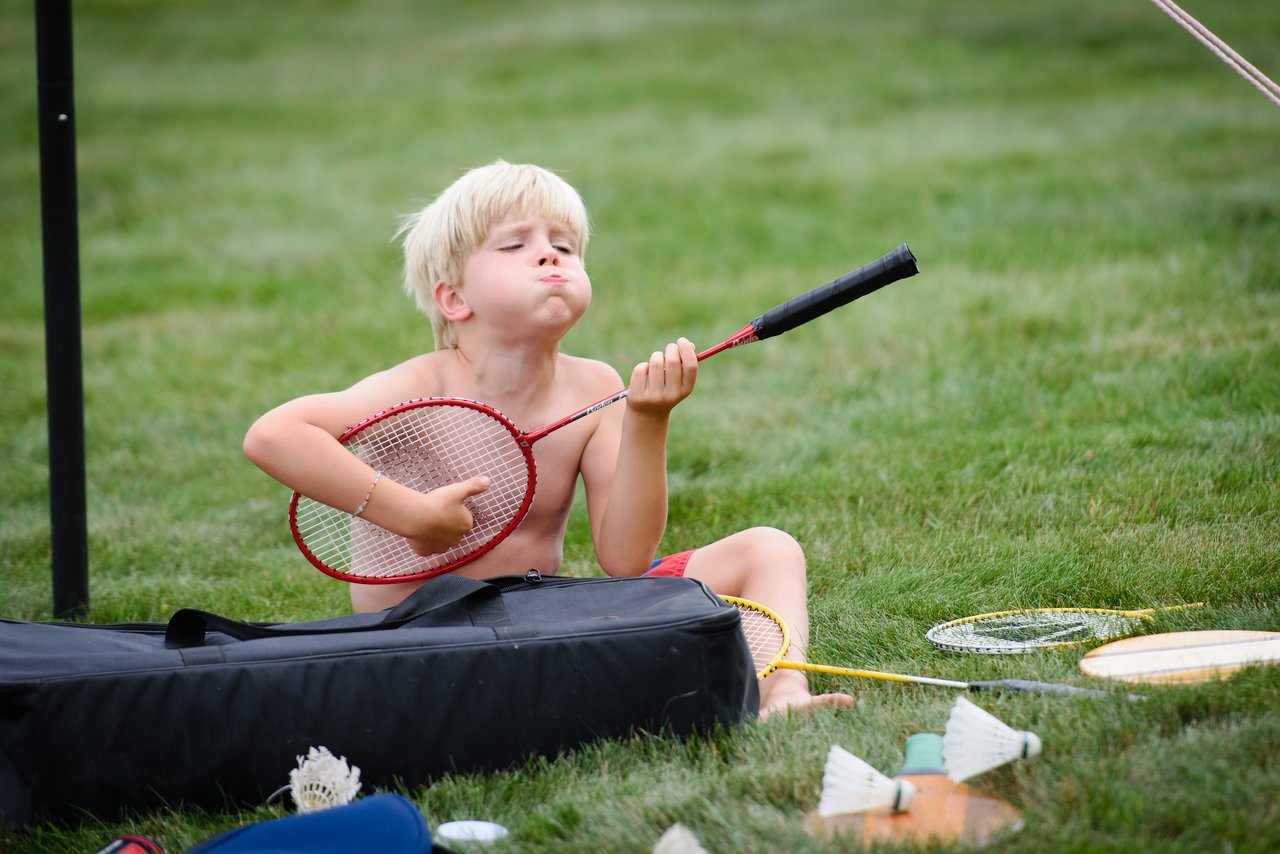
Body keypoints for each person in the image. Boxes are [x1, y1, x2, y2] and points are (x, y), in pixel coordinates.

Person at [243, 160, 853, 718]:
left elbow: (625, 558)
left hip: (547, 622)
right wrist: (412, 515)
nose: (549, 256)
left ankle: (783, 692)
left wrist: (648, 420)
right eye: (515, 245)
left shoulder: (594, 388)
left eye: (565, 246)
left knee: (769, 549)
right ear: (454, 300)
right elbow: (273, 435)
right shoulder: (415, 388)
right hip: (420, 640)